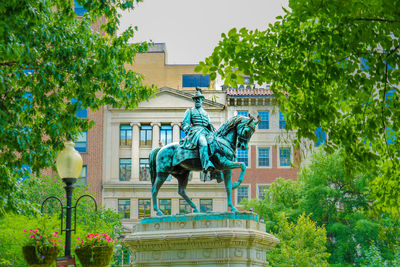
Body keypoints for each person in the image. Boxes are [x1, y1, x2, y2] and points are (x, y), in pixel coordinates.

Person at [180, 87, 216, 172]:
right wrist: (186, 127)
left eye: (199, 99)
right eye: (195, 99)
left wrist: (210, 126)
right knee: (203, 143)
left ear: (202, 100)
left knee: (216, 143)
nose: (197, 100)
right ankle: (205, 164)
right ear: (194, 100)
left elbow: (208, 124)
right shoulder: (190, 111)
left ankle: (216, 169)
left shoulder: (206, 113)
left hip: (206, 132)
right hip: (196, 131)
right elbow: (185, 123)